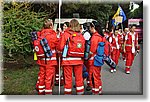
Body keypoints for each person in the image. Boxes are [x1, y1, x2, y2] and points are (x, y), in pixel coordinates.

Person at [57, 19, 85, 95]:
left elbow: (60, 47)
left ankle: (68, 95)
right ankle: (80, 94)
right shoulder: (81, 35)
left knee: (68, 79)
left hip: (67, 60)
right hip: (79, 60)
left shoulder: (66, 34)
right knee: (79, 79)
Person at [34, 19, 58, 95]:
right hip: (50, 60)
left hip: (41, 59)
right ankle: (48, 93)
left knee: (42, 76)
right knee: (48, 78)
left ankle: (41, 92)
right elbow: (58, 46)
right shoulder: (52, 36)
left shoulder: (40, 34)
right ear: (51, 26)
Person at [88, 21, 105, 95]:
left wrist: (87, 55)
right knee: (97, 75)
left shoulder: (95, 37)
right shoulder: (101, 36)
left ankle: (95, 91)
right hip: (99, 59)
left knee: (93, 76)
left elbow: (92, 50)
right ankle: (99, 89)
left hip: (94, 60)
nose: (89, 29)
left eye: (90, 27)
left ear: (93, 27)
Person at [55, 22, 69, 86]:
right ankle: (57, 79)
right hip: (59, 53)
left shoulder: (67, 34)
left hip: (65, 53)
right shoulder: (59, 34)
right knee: (58, 66)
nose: (64, 27)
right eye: (63, 26)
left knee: (64, 67)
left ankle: (63, 79)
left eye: (65, 26)